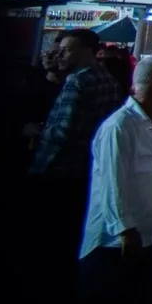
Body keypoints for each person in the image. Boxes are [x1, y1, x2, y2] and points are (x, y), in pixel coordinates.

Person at [79, 53, 152, 304]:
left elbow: (142, 169)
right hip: (117, 240)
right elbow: (112, 181)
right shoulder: (119, 126)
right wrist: (124, 228)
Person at [32, 28, 124, 285]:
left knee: (51, 236)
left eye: (68, 49)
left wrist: (36, 131)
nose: (61, 55)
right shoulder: (108, 79)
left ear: (87, 52)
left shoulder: (78, 81)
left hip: (59, 169)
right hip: (89, 169)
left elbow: (63, 132)